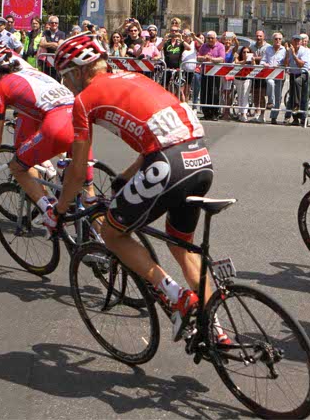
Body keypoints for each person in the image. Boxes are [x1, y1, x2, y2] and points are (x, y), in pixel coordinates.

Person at [47, 33, 228, 344]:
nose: (66, 83)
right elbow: (158, 132)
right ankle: (216, 331)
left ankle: (176, 295)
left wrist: (59, 210)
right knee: (181, 244)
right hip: (199, 156)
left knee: (112, 233)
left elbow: (77, 172)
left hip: (168, 163)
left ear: (79, 71)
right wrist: (125, 177)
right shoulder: (134, 76)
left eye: (66, 75)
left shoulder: (83, 101)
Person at [0, 42, 90, 232]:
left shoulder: (1, 88)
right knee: (82, 189)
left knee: (17, 167)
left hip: (57, 125)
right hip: (80, 121)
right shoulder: (34, 73)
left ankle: (49, 211)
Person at [284, 34, 310, 126]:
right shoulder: (289, 50)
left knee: (303, 97)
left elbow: (301, 65)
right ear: (292, 42)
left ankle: (303, 117)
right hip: (293, 74)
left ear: (300, 42)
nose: (296, 42)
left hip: (303, 74)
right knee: (292, 96)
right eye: (295, 40)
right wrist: (287, 53)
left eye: (298, 41)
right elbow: (286, 64)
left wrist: (294, 55)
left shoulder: (305, 51)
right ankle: (293, 118)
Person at [197, 31, 226, 121]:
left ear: (215, 38)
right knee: (204, 93)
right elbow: (198, 57)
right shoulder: (204, 46)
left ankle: (214, 113)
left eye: (212, 38)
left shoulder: (220, 46)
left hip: (215, 73)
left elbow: (222, 58)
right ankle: (206, 113)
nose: (210, 40)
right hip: (205, 72)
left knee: (215, 93)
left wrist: (212, 59)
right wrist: (204, 57)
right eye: (208, 38)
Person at [262, 33, 287, 125]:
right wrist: (265, 64)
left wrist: (282, 64)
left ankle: (273, 116)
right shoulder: (268, 49)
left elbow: (286, 62)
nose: (278, 41)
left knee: (278, 96)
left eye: (280, 39)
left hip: (280, 74)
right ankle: (270, 102)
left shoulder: (284, 50)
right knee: (270, 83)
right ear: (273, 40)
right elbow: (263, 61)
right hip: (269, 74)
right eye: (276, 39)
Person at [234, 45, 254, 122]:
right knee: (240, 96)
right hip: (238, 79)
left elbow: (253, 65)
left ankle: (244, 114)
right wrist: (240, 59)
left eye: (247, 52)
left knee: (245, 96)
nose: (246, 53)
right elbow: (237, 63)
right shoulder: (239, 59)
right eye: (244, 52)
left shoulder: (251, 59)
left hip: (247, 79)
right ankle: (240, 112)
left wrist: (252, 60)